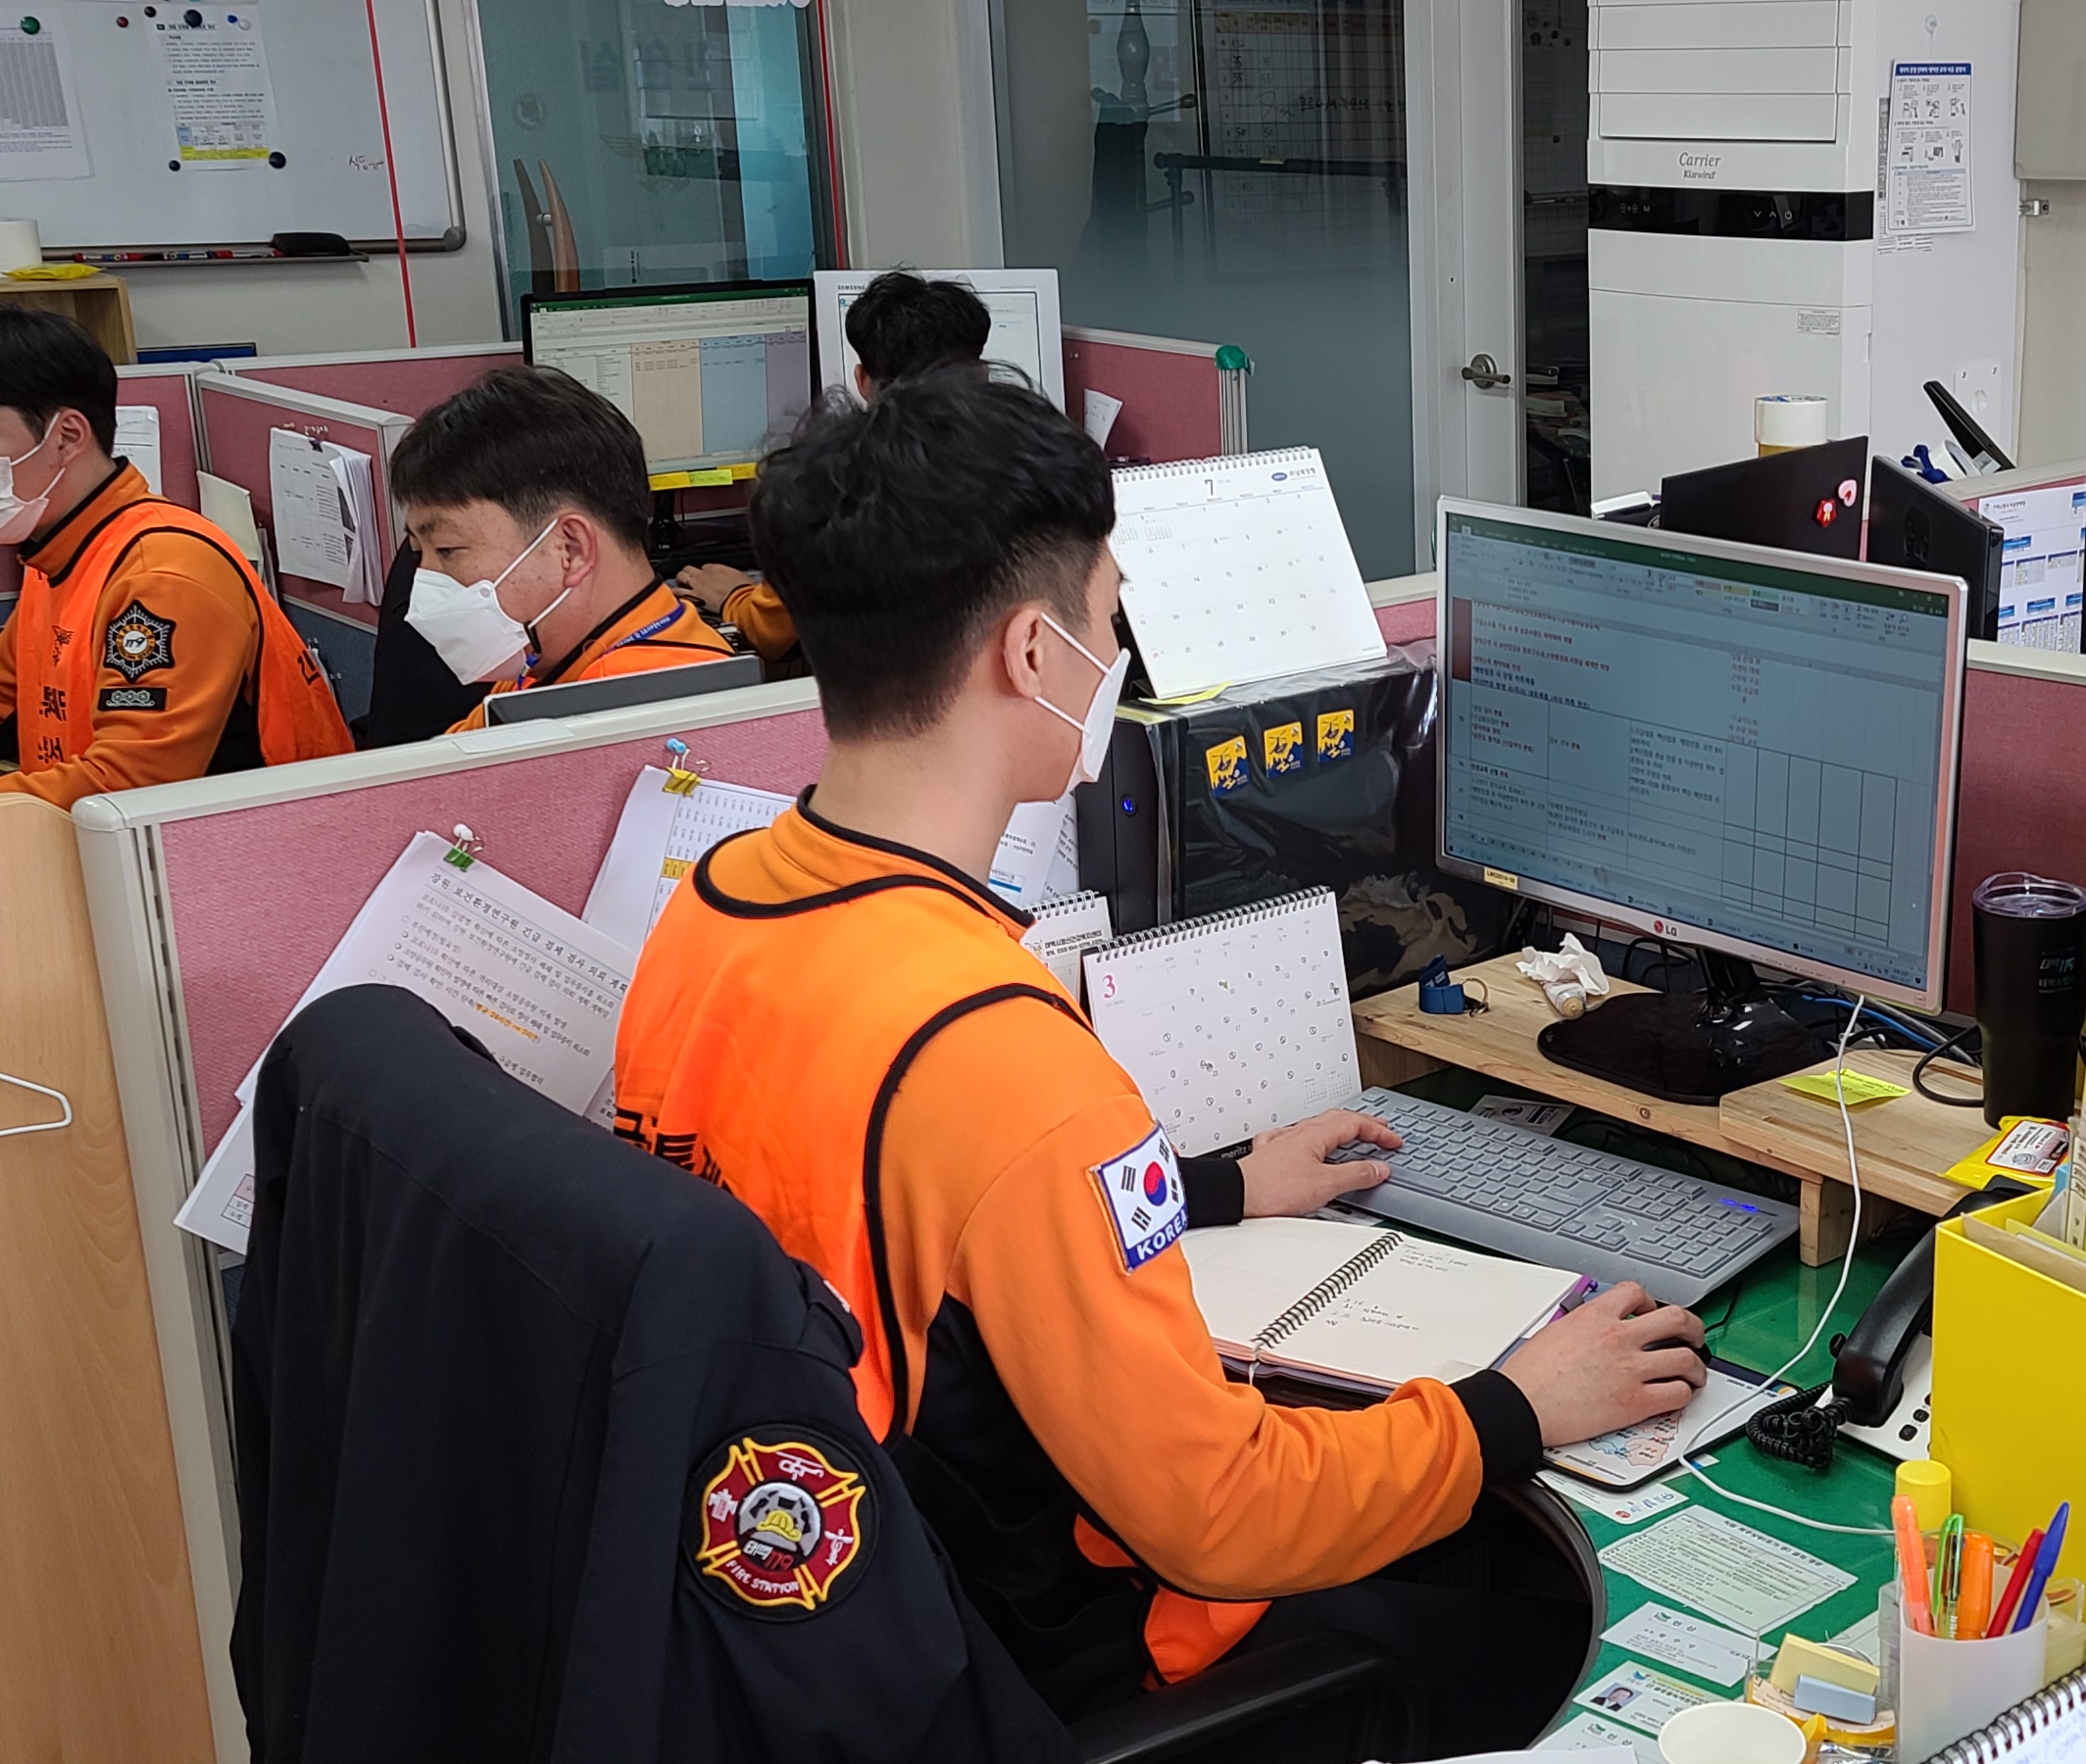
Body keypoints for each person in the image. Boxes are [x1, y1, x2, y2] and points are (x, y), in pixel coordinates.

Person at [608, 371, 1703, 1748]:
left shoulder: (716, 909)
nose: (1113, 647)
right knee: (1524, 1616)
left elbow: (897, 1228)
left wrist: (1215, 1186)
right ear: (1031, 652)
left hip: (820, 1617)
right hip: (1061, 1666)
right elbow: (1220, 1514)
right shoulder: (1003, 1057)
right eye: (1110, 612)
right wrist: (1514, 1409)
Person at [0, 305, 351, 803]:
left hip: (246, 838)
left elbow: (131, 782)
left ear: (67, 436)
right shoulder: (58, 551)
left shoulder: (160, 575)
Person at [384, 367, 734, 731]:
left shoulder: (620, 712)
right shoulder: (554, 663)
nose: (423, 583)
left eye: (447, 549)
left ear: (571, 549)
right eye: (418, 552)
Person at [678, 273, 1003, 660]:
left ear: (862, 380)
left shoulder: (832, 489)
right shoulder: (1026, 474)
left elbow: (771, 633)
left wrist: (734, 596)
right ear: (982, 375)